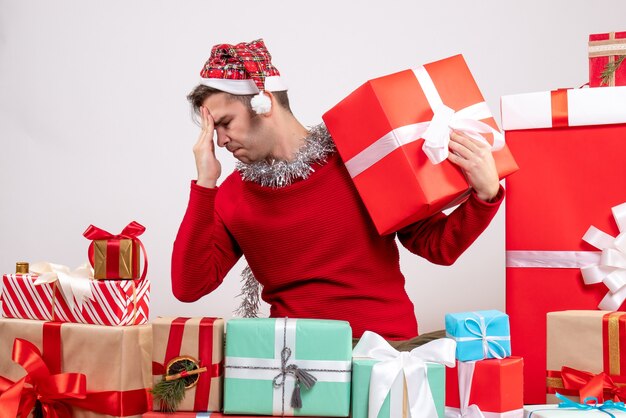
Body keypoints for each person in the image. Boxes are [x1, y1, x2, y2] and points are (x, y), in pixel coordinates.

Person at [171, 39, 504, 343]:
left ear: (264, 103)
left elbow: (437, 246)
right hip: (295, 362)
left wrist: (485, 195)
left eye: (225, 123)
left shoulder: (360, 158)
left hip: (385, 350)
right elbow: (189, 286)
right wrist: (205, 185)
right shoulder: (231, 195)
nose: (220, 141)